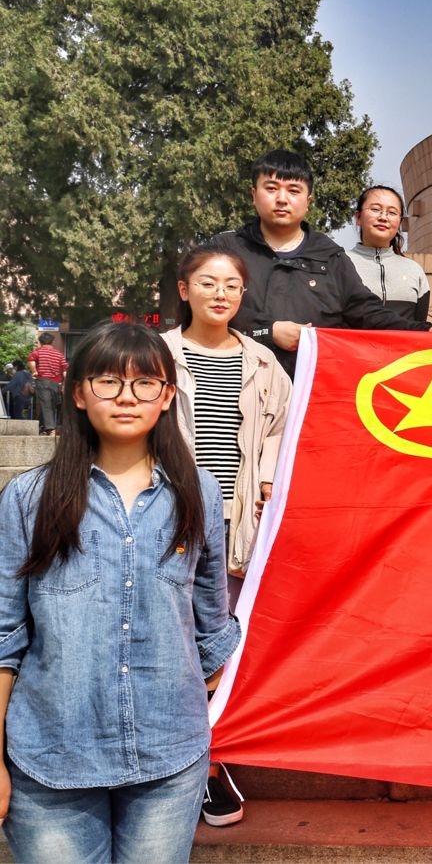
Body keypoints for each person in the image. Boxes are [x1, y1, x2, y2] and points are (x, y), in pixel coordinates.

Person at [0, 320, 240, 862]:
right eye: (108, 381)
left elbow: (211, 620)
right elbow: (3, 637)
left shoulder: (196, 491)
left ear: (167, 395)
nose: (127, 397)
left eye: (145, 383)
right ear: (78, 393)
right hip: (51, 758)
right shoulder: (28, 498)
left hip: (168, 758)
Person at [161, 246, 292, 828]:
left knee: (219, 647)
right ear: (184, 290)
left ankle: (212, 765)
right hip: (167, 522)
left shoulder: (263, 362)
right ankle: (178, 767)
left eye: (231, 285)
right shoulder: (157, 355)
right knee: (169, 646)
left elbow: (284, 431)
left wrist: (269, 478)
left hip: (237, 529)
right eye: (207, 282)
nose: (220, 293)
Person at [208, 150, 432, 377]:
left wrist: (425, 331)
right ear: (254, 194)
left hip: (310, 387)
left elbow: (367, 312)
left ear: (308, 201)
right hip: (233, 380)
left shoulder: (330, 256)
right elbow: (202, 309)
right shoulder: (225, 250)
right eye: (271, 188)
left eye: (293, 191)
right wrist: (268, 332)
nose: (282, 199)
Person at [347, 185, 432, 322]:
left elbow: (419, 326)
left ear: (400, 222)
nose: (383, 217)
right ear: (358, 217)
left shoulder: (414, 271)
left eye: (392, 212)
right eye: (375, 209)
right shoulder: (339, 263)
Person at [26, 332, 67, 435]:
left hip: (42, 380)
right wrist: (64, 384)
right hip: (56, 382)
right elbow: (65, 370)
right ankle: (42, 426)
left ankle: (50, 428)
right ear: (52, 342)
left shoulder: (38, 352)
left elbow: (31, 360)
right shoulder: (59, 354)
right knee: (50, 404)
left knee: (46, 404)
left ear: (40, 342)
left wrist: (34, 371)